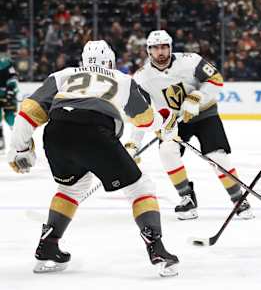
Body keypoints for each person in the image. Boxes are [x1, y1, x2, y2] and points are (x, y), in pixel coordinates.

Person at [7, 40, 179, 276]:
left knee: (71, 188)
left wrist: (20, 148)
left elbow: (29, 111)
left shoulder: (64, 74)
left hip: (56, 132)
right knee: (140, 188)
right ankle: (157, 248)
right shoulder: (122, 78)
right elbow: (145, 119)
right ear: (110, 61)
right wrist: (165, 124)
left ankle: (48, 245)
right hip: (94, 131)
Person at [125, 30, 254, 220]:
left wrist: (196, 98)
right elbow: (141, 114)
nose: (160, 52)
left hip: (204, 114)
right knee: (167, 151)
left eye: (163, 47)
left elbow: (216, 79)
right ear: (148, 51)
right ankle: (186, 197)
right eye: (155, 48)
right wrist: (133, 144)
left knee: (217, 157)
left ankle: (238, 198)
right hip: (173, 122)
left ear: (170, 48)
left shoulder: (190, 60)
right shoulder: (142, 77)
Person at [0, 41, 19, 153]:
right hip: (7, 93)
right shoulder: (8, 62)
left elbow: (12, 78)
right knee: (10, 116)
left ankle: (19, 140)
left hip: (7, 93)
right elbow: (13, 78)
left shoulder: (7, 63)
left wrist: (10, 92)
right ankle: (17, 140)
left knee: (10, 116)